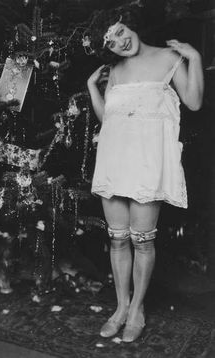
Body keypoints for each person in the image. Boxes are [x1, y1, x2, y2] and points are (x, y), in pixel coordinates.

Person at [87, 5, 204, 343]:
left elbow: (194, 102)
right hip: (113, 159)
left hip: (147, 164)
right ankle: (121, 307)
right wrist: (93, 88)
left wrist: (193, 57)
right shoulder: (114, 70)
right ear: (107, 50)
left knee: (143, 241)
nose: (121, 42)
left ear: (129, 24)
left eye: (120, 31)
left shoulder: (170, 57)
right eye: (111, 42)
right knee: (117, 239)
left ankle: (137, 308)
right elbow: (109, 119)